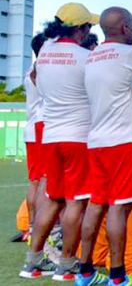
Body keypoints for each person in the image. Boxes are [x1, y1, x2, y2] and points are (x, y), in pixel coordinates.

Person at [78, 6, 132, 286]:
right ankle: (118, 276)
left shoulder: (92, 57)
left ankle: (85, 271)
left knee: (96, 204)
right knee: (118, 207)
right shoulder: (130, 54)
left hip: (96, 141)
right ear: (126, 27)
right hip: (123, 141)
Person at [18, 3, 98, 281]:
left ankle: (32, 262)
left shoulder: (45, 53)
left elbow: (39, 81)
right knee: (76, 202)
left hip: (50, 136)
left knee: (52, 198)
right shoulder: (86, 57)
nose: (90, 33)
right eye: (88, 27)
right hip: (79, 137)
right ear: (80, 29)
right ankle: (67, 263)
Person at [23, 33, 47, 242]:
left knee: (35, 181)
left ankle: (32, 226)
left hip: (32, 126)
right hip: (42, 125)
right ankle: (37, 227)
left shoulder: (31, 69)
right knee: (42, 180)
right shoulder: (41, 69)